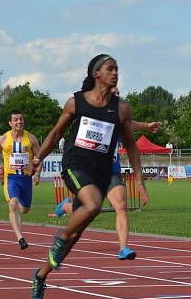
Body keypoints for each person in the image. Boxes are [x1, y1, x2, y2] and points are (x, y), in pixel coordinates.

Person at [29, 54, 148, 299]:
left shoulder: (121, 109)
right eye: (110, 68)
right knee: (93, 205)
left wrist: (139, 178)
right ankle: (61, 235)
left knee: (76, 235)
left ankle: (40, 276)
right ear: (96, 74)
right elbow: (55, 134)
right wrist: (38, 158)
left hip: (102, 172)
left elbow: (131, 145)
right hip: (75, 165)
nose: (115, 73)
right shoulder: (76, 103)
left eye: (117, 68)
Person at [55, 87, 159, 260]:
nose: (116, 97)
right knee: (84, 213)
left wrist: (147, 126)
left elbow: (130, 124)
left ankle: (123, 247)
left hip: (112, 171)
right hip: (89, 172)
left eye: (118, 95)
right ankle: (65, 207)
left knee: (121, 206)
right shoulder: (93, 114)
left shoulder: (119, 117)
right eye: (113, 94)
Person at [0, 110, 41, 250]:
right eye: (16, 120)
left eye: (21, 119)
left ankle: (19, 220)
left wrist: (37, 174)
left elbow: (39, 158)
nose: (19, 122)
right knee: (13, 204)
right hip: (10, 178)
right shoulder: (3, 139)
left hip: (26, 179)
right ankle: (20, 238)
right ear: (10, 123)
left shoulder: (31, 139)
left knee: (25, 209)